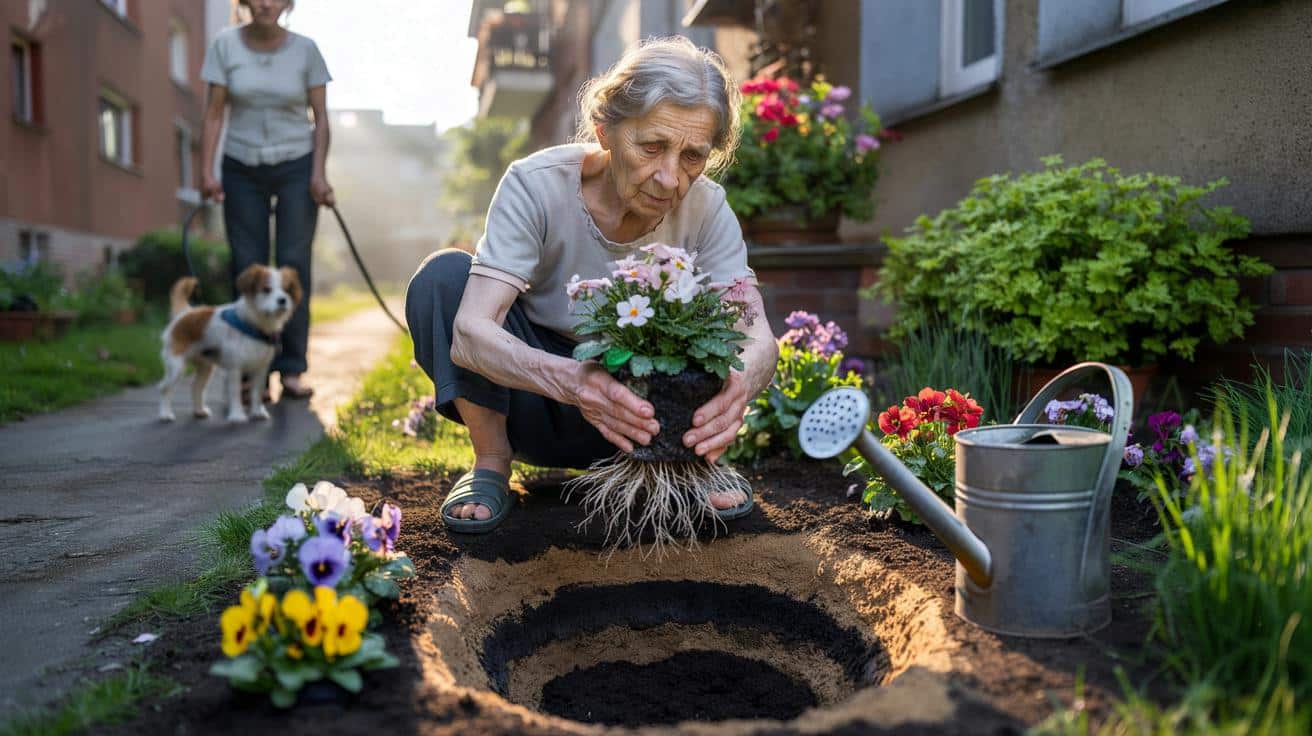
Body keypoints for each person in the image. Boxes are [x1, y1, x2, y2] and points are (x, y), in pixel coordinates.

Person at [406, 37, 779, 533]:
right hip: (534, 402)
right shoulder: (535, 185)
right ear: (604, 131)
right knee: (443, 277)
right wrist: (574, 382)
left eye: (693, 155)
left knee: (715, 328)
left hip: (649, 419)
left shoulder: (708, 207)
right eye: (651, 147)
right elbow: (472, 333)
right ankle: (491, 463)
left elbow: (757, 334)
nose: (671, 178)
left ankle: (691, 467)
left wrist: (740, 387)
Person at [200, 0, 333, 400]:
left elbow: (321, 117)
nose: (266, 3)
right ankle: (247, 372)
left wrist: (318, 173)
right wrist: (207, 172)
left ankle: (291, 368)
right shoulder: (225, 45)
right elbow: (213, 114)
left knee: (294, 265)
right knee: (247, 266)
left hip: (296, 163)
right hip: (241, 164)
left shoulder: (305, 49)